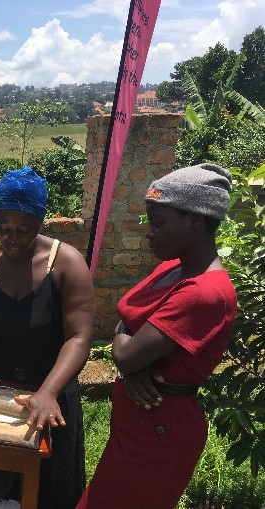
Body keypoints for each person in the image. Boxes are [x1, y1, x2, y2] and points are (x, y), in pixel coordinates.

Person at [75, 163, 238, 509]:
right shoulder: (173, 268)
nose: (150, 232)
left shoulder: (205, 292)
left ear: (195, 220)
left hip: (161, 428)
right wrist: (130, 356)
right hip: (139, 420)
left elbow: (126, 351)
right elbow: (128, 326)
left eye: (159, 223)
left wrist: (128, 355)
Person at [0, 166, 95, 509]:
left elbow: (79, 336)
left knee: (51, 492)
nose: (13, 237)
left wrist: (48, 392)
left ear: (41, 223)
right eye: (4, 227)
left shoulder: (67, 265)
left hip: (51, 396)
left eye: (24, 229)